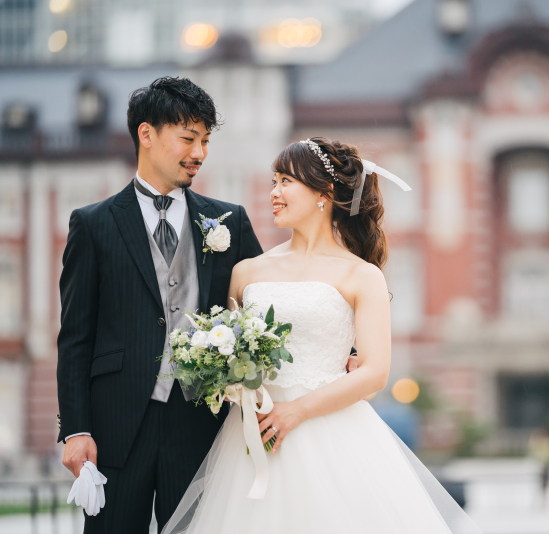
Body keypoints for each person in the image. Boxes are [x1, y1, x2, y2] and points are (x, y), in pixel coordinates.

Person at [56, 77, 358, 533]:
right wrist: (76, 428)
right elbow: (75, 337)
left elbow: (275, 296)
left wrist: (345, 351)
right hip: (117, 428)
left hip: (202, 427)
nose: (199, 152)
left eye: (205, 140)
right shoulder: (93, 225)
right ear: (147, 134)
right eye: (188, 138)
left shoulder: (228, 220)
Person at [161, 138, 482, 534]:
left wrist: (297, 411)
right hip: (252, 436)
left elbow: (375, 372)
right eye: (273, 181)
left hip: (332, 436)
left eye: (285, 181)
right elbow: (231, 353)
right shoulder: (247, 271)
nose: (274, 193)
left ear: (324, 194)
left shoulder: (361, 275)